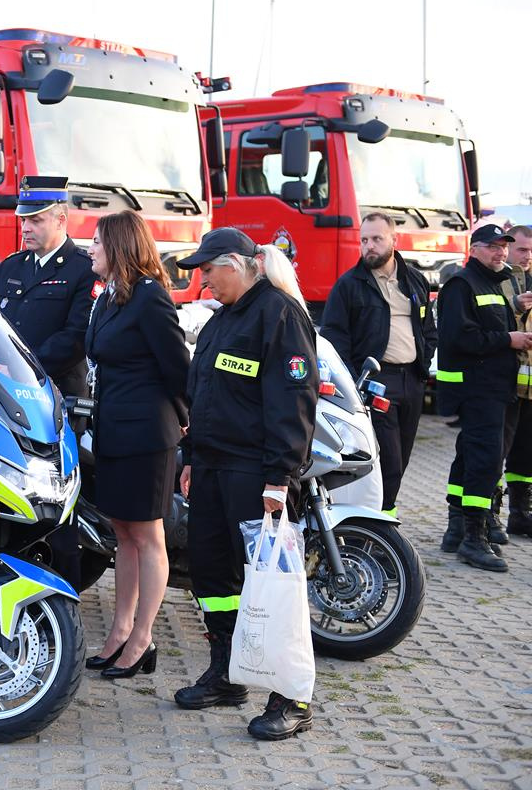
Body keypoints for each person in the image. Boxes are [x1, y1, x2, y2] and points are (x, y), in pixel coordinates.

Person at [171, 227, 319, 741]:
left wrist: (281, 477)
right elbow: (202, 395)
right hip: (213, 469)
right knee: (214, 577)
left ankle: (292, 697)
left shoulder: (280, 314)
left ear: (237, 264)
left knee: (271, 585)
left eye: (209, 270)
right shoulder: (222, 320)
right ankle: (228, 674)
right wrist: (192, 458)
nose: (204, 281)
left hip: (257, 474)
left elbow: (294, 401)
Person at [82, 210, 189, 681]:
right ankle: (120, 631)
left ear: (120, 246)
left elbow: (178, 369)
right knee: (122, 533)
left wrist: (185, 423)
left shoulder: (149, 297)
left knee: (147, 536)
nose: (91, 249)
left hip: (147, 436)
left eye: (97, 242)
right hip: (113, 432)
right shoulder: (110, 295)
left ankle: (143, 637)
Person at [321, 212, 436, 517]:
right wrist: (354, 381)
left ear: (394, 240)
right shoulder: (349, 285)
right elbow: (334, 338)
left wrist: (423, 365)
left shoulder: (415, 280)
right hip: (376, 382)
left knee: (404, 455)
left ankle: (383, 520)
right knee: (389, 461)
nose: (369, 246)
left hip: (412, 380)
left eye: (376, 239)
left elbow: (428, 329)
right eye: (364, 240)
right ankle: (381, 524)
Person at [437, 224, 532, 571]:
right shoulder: (461, 285)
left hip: (498, 388)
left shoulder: (498, 283)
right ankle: (474, 539)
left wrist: (515, 314)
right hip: (477, 390)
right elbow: (460, 338)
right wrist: (509, 339)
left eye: (503, 247)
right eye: (493, 246)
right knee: (486, 462)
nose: (500, 252)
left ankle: (456, 529)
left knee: (471, 456)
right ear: (474, 249)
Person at [0, 176, 95, 399]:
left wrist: (23, 368)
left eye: (35, 221)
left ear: (60, 221)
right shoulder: (11, 266)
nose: (25, 229)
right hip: (6, 384)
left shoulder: (84, 269)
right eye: (23, 220)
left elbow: (76, 337)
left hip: (56, 391)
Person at [503, 225, 532, 537]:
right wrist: (515, 305)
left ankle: (521, 514)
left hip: (529, 387)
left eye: (531, 251)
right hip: (506, 384)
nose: (527, 256)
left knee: (526, 453)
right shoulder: (498, 280)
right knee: (496, 452)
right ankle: (488, 516)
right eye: (522, 250)